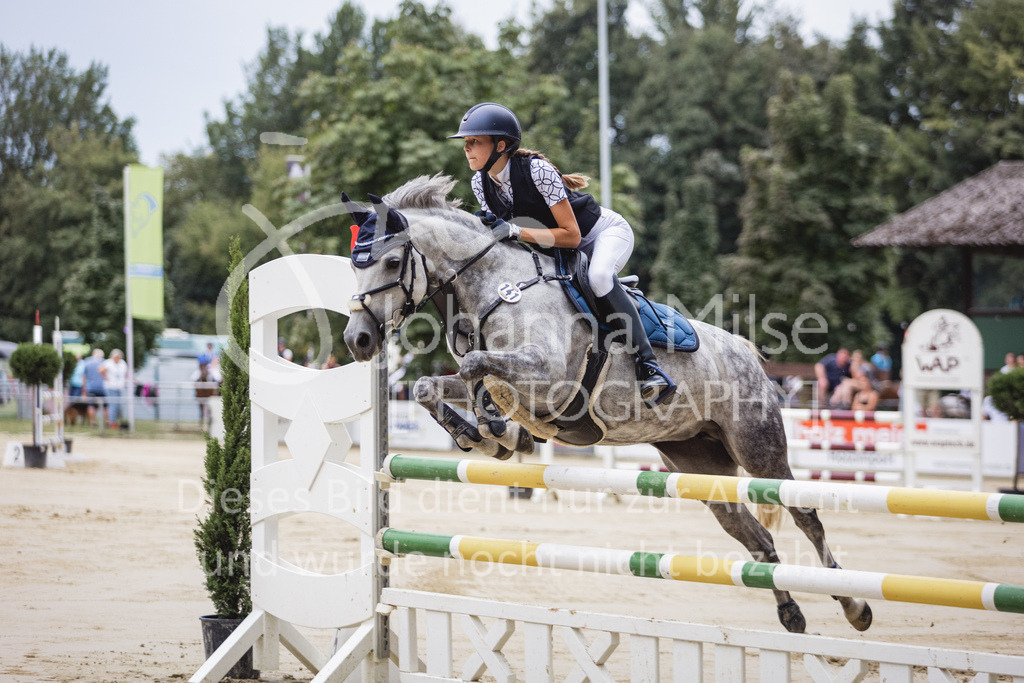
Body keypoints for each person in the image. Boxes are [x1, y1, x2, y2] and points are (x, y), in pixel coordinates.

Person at [449, 102, 675, 406]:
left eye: (475, 141)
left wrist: (514, 231)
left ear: (500, 145)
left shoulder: (537, 170)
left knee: (598, 277)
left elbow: (572, 236)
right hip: (557, 250)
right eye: (466, 142)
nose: (467, 148)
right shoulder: (480, 182)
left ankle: (650, 367)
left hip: (600, 235)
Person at [190, 359, 222, 431]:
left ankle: (217, 392)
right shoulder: (201, 365)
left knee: (217, 378)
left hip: (210, 367)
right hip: (205, 367)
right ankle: (197, 393)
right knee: (195, 378)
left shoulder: (212, 357)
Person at [100, 349, 128, 429]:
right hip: (110, 387)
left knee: (118, 406)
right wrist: (106, 377)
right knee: (113, 405)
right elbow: (101, 370)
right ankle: (111, 422)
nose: (117, 358)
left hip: (119, 387)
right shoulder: (108, 362)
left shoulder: (123, 363)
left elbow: (127, 373)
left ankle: (115, 421)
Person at [82, 348, 107, 426]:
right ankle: (108, 421)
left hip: (91, 387)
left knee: (91, 405)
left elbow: (84, 376)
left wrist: (84, 388)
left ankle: (93, 422)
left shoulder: (87, 362)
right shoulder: (104, 362)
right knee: (106, 406)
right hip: (103, 387)